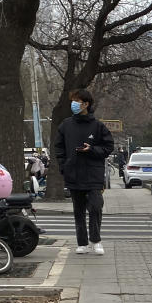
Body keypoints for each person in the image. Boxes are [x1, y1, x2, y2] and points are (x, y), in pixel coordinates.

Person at [54, 89, 114, 255]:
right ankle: (82, 243)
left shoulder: (98, 126)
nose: (73, 104)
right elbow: (58, 147)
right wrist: (63, 164)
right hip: (73, 172)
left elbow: (108, 147)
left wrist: (92, 149)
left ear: (86, 104)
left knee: (95, 207)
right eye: (73, 100)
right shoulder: (66, 125)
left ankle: (96, 240)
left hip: (93, 174)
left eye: (77, 101)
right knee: (78, 210)